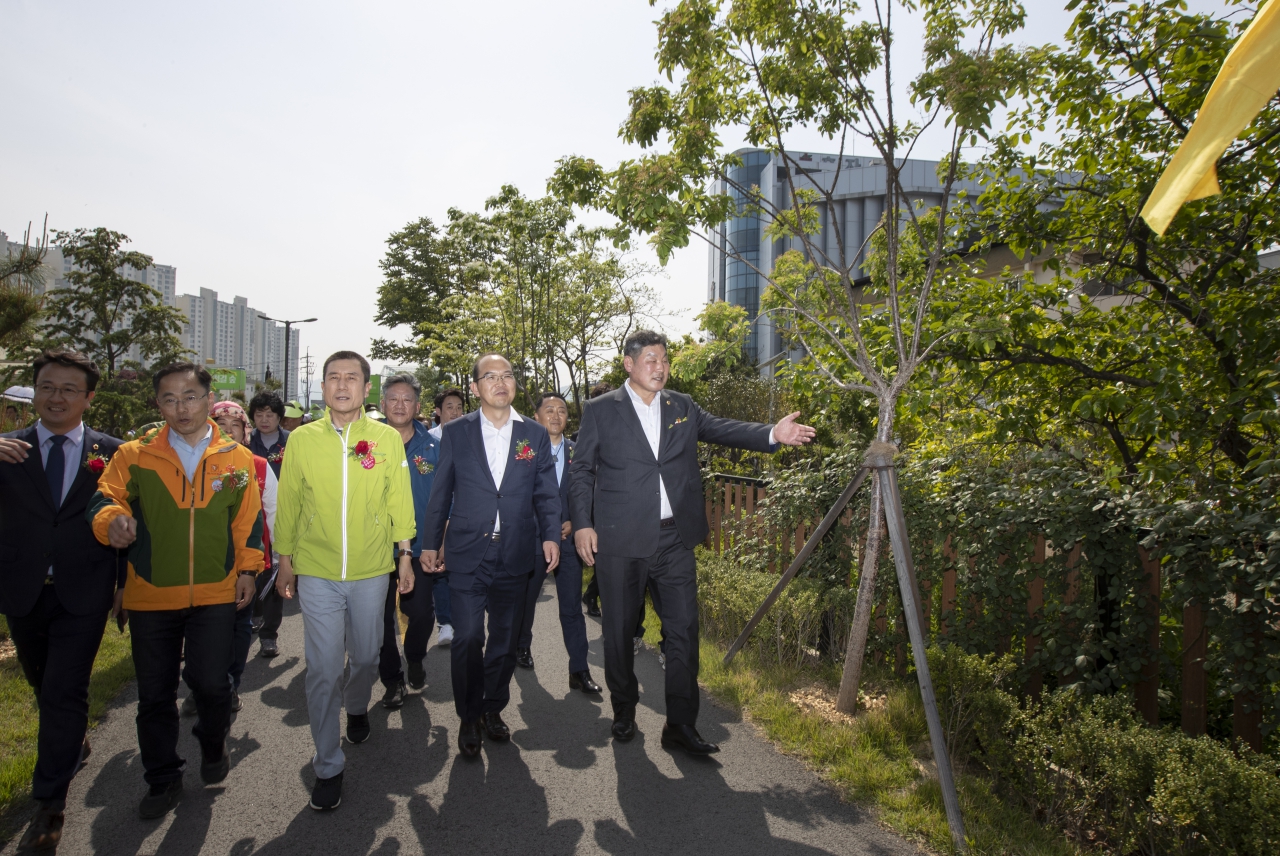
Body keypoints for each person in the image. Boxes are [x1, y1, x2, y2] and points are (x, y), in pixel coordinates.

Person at [570, 330, 815, 755]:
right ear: (629, 365)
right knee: (619, 632)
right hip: (619, 540)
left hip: (674, 540)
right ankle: (624, 708)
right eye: (650, 359)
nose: (660, 367)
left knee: (683, 630)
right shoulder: (600, 410)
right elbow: (581, 471)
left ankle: (680, 725)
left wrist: (771, 434)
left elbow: (722, 429)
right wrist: (582, 523)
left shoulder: (681, 405)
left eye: (664, 359)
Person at [90, 362, 264, 817]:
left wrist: (248, 569)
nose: (180, 407)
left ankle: (212, 743)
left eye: (190, 397)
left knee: (210, 683)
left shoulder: (236, 458)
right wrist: (112, 522)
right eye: (169, 398)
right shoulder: (136, 454)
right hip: (151, 594)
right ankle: (162, 777)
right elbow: (106, 497)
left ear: (209, 399)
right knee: (155, 694)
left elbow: (246, 521)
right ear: (157, 404)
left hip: (215, 593)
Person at [272, 351, 416, 812]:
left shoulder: (385, 439)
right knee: (323, 667)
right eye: (333, 377)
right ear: (322, 386)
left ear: (365, 388)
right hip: (317, 569)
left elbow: (400, 498)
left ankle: (357, 704)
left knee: (368, 656)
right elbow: (290, 500)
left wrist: (405, 554)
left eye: (351, 377)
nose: (341, 385)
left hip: (373, 569)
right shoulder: (303, 440)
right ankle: (327, 765)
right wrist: (285, 559)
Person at [0, 349, 125, 854]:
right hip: (22, 589)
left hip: (85, 590)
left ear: (88, 398)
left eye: (69, 389)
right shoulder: (10, 450)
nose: (57, 397)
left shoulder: (113, 452)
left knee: (63, 690)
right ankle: (70, 740)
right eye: (48, 387)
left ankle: (49, 805)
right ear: (36, 392)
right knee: (42, 682)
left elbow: (123, 519)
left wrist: (123, 585)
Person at [421, 354, 561, 758]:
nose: (501, 383)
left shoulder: (532, 434)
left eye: (507, 376)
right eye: (490, 377)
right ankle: (467, 715)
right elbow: (441, 492)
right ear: (475, 387)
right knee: (467, 637)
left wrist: (551, 534)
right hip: (467, 551)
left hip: (516, 552)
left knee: (503, 640)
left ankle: (492, 708)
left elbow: (546, 493)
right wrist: (431, 543)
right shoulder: (457, 432)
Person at [514, 392, 601, 695]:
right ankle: (522, 645)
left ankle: (579, 669)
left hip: (568, 540)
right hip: (534, 538)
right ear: (535, 416)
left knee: (571, 607)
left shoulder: (579, 452)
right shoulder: (522, 452)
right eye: (548, 410)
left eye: (561, 411)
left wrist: (577, 523)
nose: (555, 415)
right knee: (526, 599)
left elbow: (590, 494)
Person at [375, 373, 440, 709]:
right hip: (375, 548)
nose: (400, 405)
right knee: (381, 617)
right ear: (383, 404)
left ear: (417, 406)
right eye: (393, 399)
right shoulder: (365, 448)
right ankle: (392, 679)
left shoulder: (435, 447)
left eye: (407, 399)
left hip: (420, 546)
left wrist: (441, 538)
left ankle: (414, 657)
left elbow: (449, 497)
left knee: (421, 611)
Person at [210, 401, 276, 711]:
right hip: (206, 562)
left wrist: (280, 556)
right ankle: (206, 682)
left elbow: (273, 511)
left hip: (247, 561)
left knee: (238, 625)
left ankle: (230, 683)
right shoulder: (196, 464)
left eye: (233, 426)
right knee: (206, 627)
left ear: (244, 431)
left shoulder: (259, 465)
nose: (227, 431)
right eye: (219, 424)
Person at [246, 390, 288, 657]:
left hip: (282, 516)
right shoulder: (246, 444)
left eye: (269, 414)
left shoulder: (292, 443)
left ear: (279, 418)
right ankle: (250, 615)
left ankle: (269, 634)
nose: (264, 419)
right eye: (259, 414)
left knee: (275, 575)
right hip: (250, 518)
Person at [426, 387, 466, 646]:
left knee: (460, 571)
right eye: (449, 407)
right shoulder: (428, 442)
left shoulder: (472, 436)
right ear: (438, 412)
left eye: (459, 407)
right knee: (440, 572)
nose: (455, 412)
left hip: (464, 516)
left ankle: (462, 620)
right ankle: (445, 623)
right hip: (438, 516)